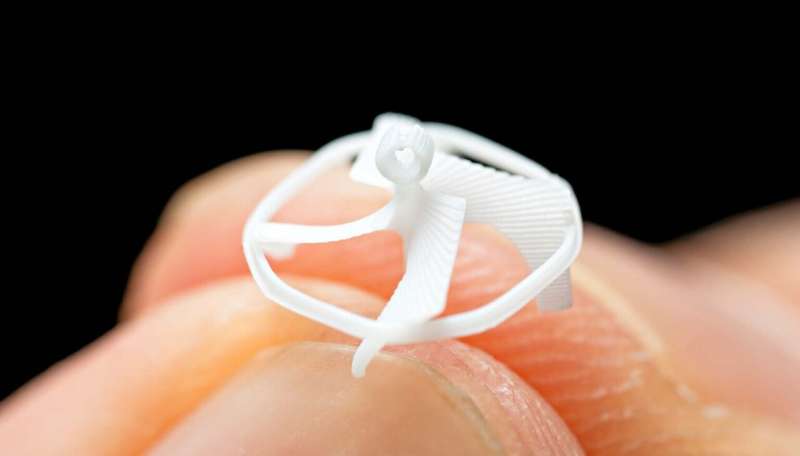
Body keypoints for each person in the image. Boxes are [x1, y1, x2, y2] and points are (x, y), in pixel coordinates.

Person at [1, 152, 797, 454]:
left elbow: (399, 238)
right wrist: (289, 242)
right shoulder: (418, 201)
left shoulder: (453, 205)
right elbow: (372, 223)